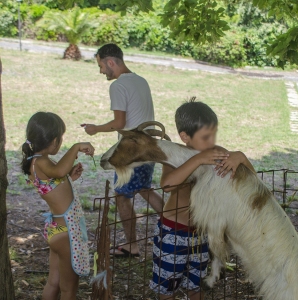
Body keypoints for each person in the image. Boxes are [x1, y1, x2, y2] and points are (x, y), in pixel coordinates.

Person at [150, 98, 256, 300]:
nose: (211, 141)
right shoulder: (174, 154)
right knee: (167, 288)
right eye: (205, 137)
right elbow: (167, 185)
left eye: (213, 134)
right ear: (185, 136)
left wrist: (241, 157)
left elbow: (251, 181)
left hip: (202, 234)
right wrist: (197, 160)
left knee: (196, 287)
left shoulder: (217, 154)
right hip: (173, 233)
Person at [83, 43, 164, 257]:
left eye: (101, 65)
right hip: (149, 145)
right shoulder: (141, 80)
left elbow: (119, 123)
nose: (101, 70)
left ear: (111, 62)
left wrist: (95, 129)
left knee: (122, 197)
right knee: (144, 189)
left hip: (132, 150)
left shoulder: (118, 86)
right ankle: (181, 225)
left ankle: (133, 246)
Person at [21, 112, 95, 300]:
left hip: (56, 229)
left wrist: (69, 176)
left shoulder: (37, 161)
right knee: (69, 289)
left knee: (53, 282)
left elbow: (55, 179)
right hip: (66, 232)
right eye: (61, 138)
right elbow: (58, 170)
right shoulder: (42, 161)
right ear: (54, 140)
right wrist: (76, 147)